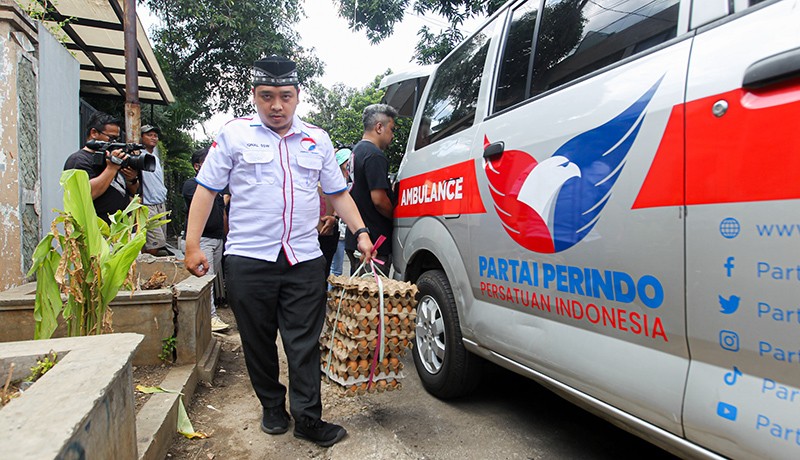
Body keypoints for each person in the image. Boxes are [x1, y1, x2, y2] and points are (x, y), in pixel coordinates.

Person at [183, 55, 375, 448]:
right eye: (266, 96)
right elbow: (207, 189)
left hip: (303, 258)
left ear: (297, 96)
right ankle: (272, 406)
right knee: (257, 340)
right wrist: (190, 245)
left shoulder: (316, 139)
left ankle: (308, 418)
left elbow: (337, 193)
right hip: (249, 258)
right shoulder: (235, 135)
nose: (276, 105)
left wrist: (361, 231)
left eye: (285, 96)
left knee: (303, 343)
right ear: (254, 95)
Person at [344, 104, 398, 274]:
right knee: (371, 297)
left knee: (357, 295)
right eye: (392, 129)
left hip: (356, 238)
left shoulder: (356, 151)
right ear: (379, 127)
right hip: (373, 244)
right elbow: (379, 200)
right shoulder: (374, 155)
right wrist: (396, 217)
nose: (393, 136)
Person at [182, 147, 230, 333]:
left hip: (217, 239)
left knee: (211, 277)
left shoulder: (218, 189)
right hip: (203, 240)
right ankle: (210, 317)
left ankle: (210, 314)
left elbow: (221, 211)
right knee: (206, 279)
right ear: (197, 166)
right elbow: (202, 205)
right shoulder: (192, 185)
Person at [64, 111, 140, 223]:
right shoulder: (78, 160)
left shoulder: (110, 158)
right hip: (96, 232)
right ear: (94, 133)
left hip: (119, 230)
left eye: (117, 139)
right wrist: (111, 168)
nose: (114, 143)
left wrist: (131, 180)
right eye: (111, 138)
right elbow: (85, 194)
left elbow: (134, 193)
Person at [139, 125, 169, 256]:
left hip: (160, 203)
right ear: (140, 137)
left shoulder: (155, 158)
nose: (153, 138)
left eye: (155, 136)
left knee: (160, 241)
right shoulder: (139, 156)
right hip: (148, 204)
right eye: (149, 135)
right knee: (154, 242)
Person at [330, 147, 351, 277]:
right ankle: (331, 297)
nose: (349, 165)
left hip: (348, 231)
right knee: (336, 270)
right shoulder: (335, 181)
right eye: (347, 162)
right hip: (337, 230)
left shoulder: (351, 180)